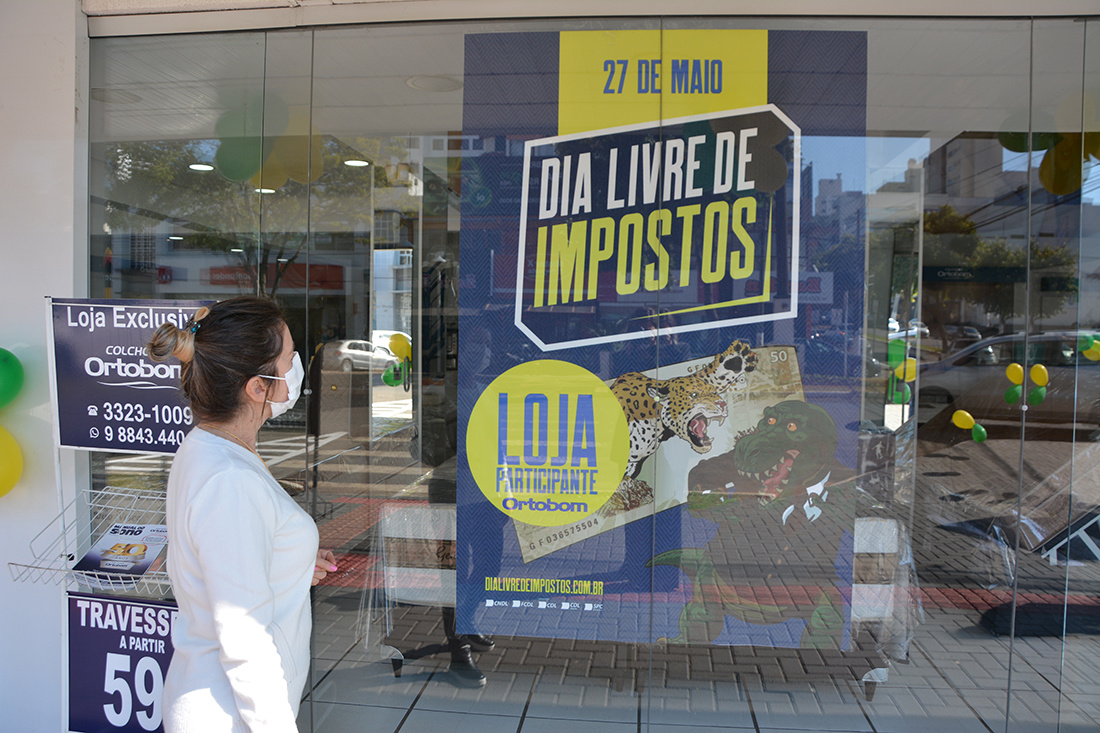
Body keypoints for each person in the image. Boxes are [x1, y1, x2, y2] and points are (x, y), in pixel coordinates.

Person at [146, 296, 336, 732]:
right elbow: (244, 636)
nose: (297, 367)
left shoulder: (210, 447)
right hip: (229, 716)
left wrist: (289, 562)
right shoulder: (228, 479)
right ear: (256, 388)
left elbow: (222, 564)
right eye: (289, 358)